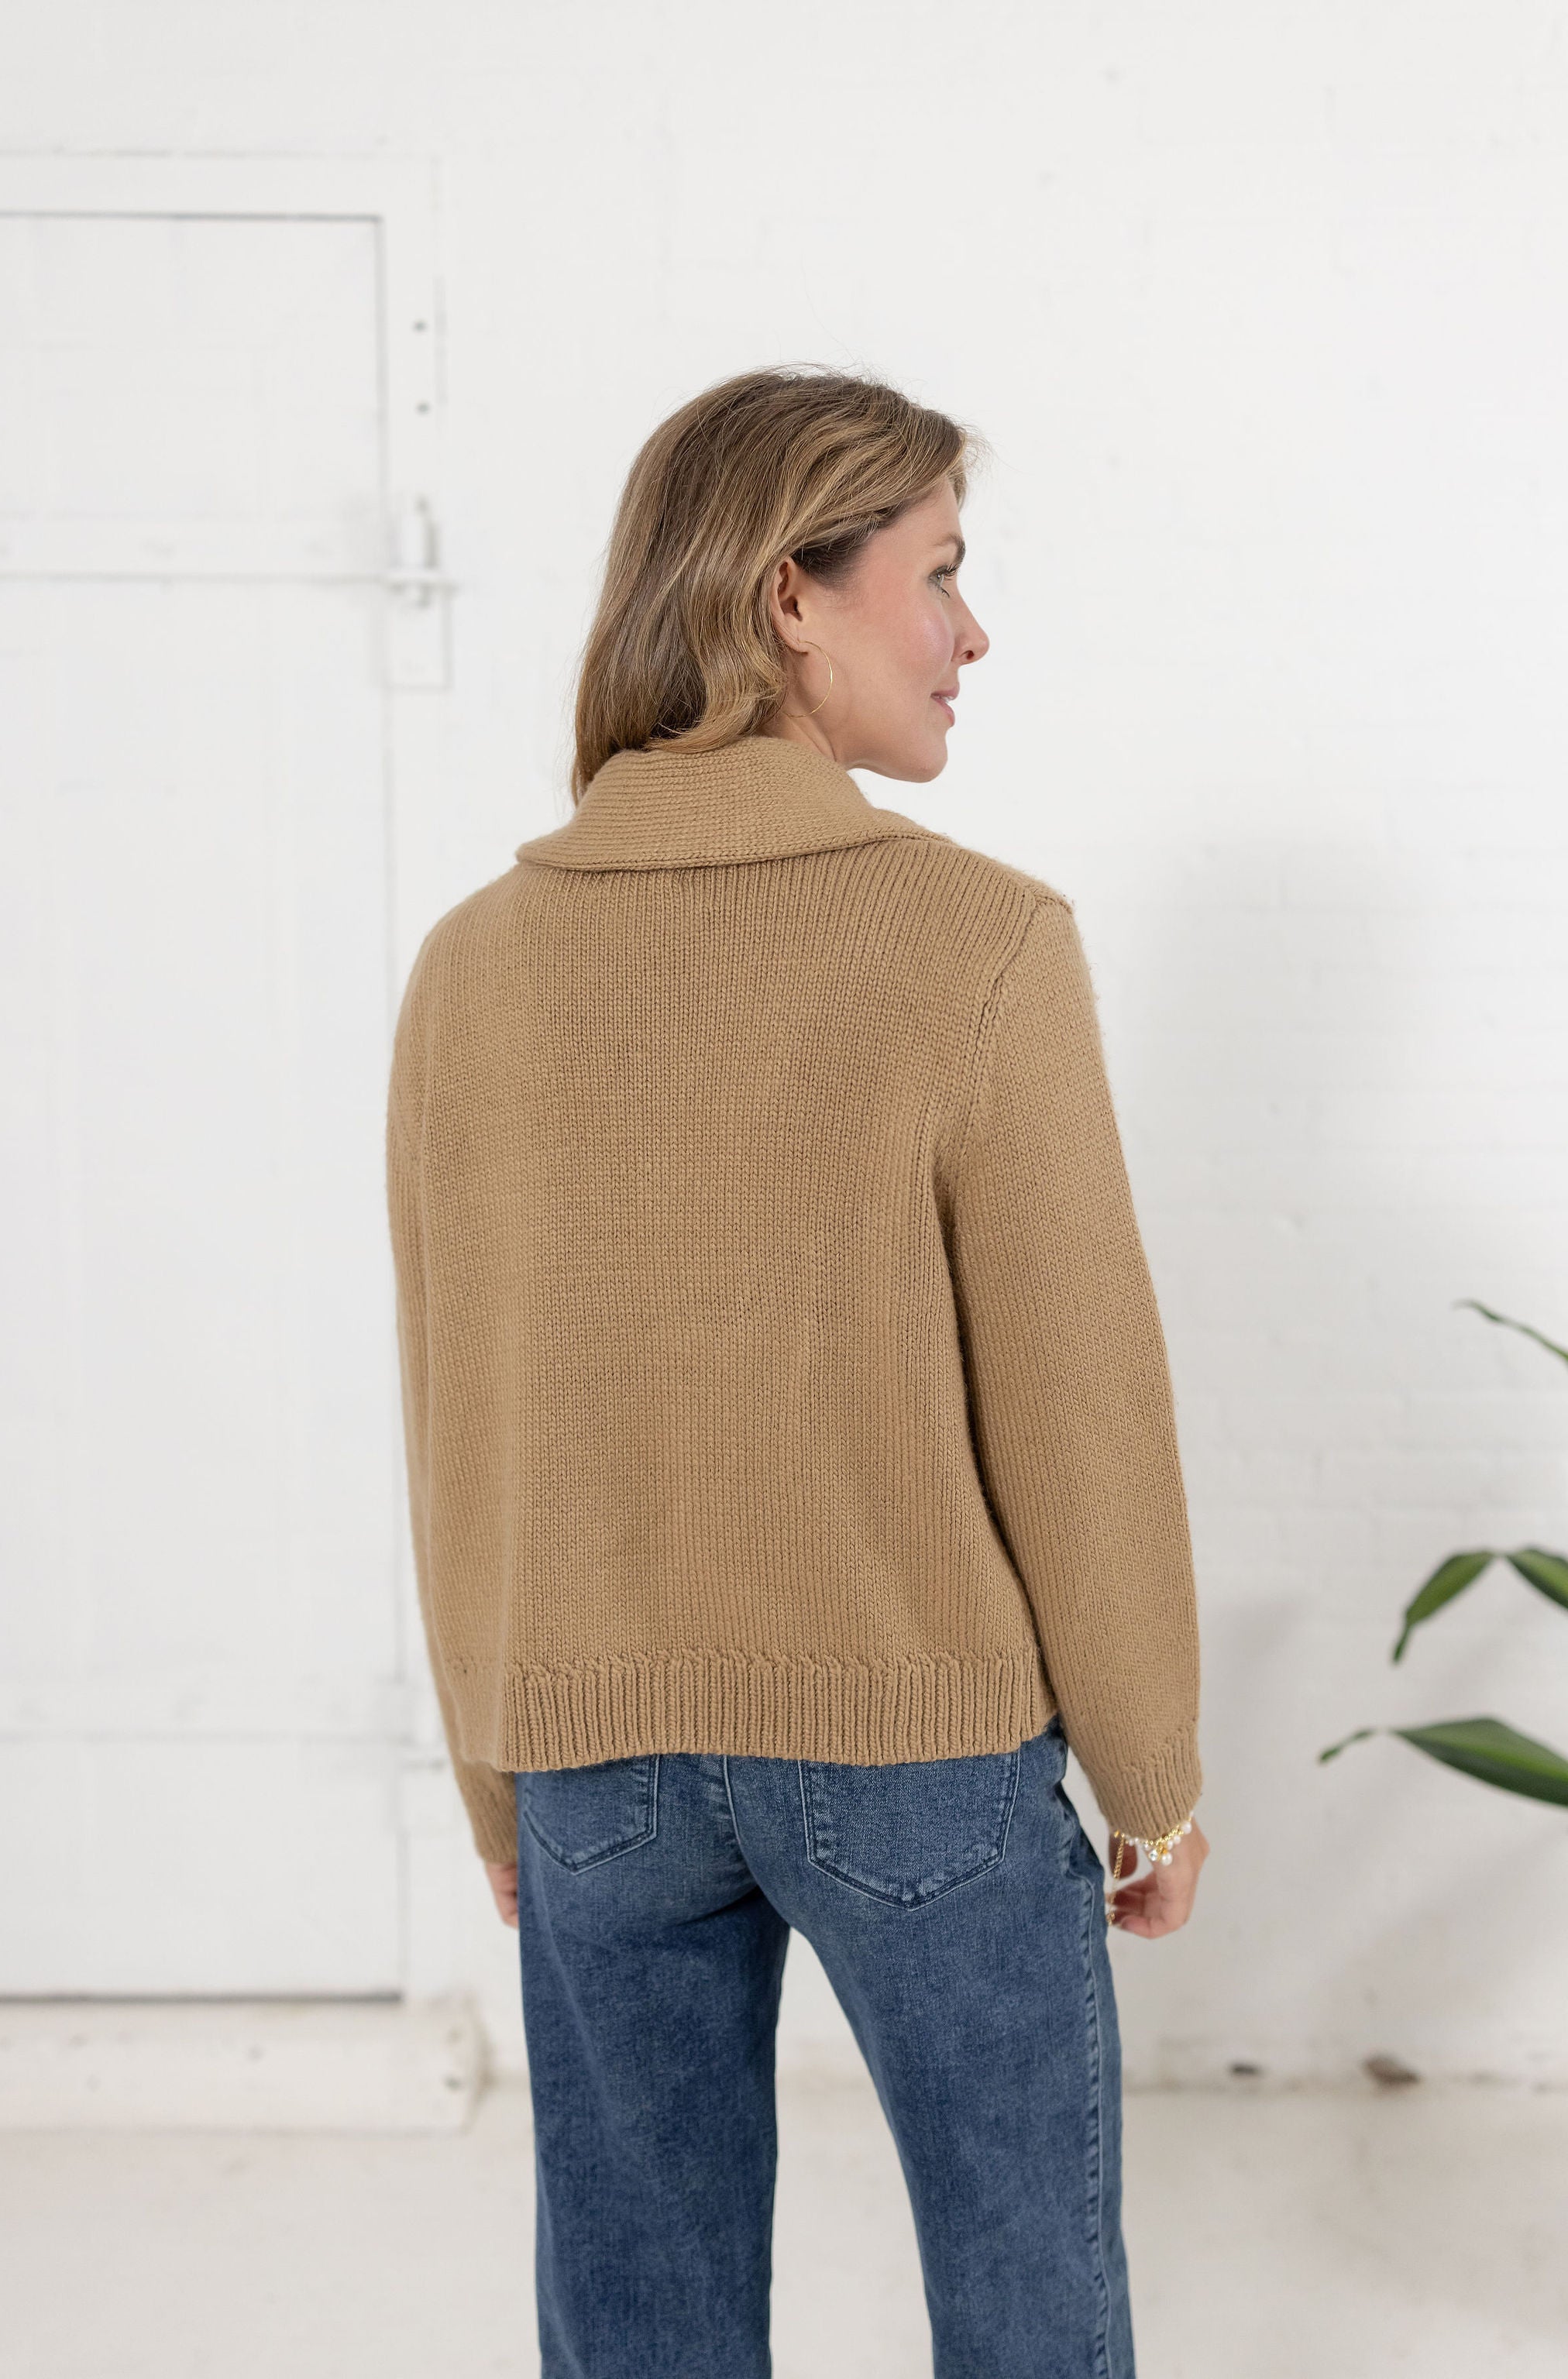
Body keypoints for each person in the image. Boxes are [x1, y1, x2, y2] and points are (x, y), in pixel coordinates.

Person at [386, 363, 1208, 2379]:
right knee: (1027, 2307)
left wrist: (495, 1769)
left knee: (639, 2323)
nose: (970, 634)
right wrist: (1155, 1777)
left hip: (591, 1762)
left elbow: (459, 1406)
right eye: (939, 574)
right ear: (787, 599)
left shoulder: (473, 963)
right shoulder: (978, 944)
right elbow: (1077, 1403)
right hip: (915, 1750)